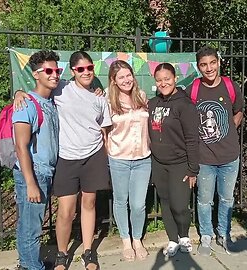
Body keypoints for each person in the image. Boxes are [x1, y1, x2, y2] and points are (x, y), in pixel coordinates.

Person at [14, 51, 111, 270]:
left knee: (89, 203)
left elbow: (105, 131)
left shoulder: (99, 96)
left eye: (89, 68)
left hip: (93, 155)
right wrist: (18, 92)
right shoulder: (60, 88)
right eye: (80, 69)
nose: (86, 72)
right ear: (73, 71)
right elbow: (34, 93)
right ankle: (61, 253)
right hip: (66, 158)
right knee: (65, 210)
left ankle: (88, 251)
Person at [185, 46, 244, 256]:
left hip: (229, 157)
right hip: (204, 158)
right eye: (203, 64)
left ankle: (224, 234)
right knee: (204, 200)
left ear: (218, 62)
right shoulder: (194, 89)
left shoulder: (230, 86)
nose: (209, 68)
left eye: (212, 63)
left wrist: (227, 130)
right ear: (198, 67)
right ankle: (206, 236)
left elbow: (238, 112)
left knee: (227, 199)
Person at [12, 50, 60, 270]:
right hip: (33, 172)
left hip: (45, 171)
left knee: (31, 224)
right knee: (30, 227)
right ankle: (32, 267)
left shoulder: (49, 101)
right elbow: (21, 147)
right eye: (48, 71)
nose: (54, 75)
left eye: (57, 70)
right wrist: (30, 183)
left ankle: (29, 263)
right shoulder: (27, 105)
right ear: (36, 74)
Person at [148, 63, 200, 257]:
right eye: (159, 80)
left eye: (167, 79)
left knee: (179, 205)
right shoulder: (153, 104)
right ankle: (172, 238)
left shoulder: (184, 105)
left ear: (175, 78)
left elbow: (192, 139)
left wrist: (193, 169)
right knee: (166, 202)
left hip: (180, 163)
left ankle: (184, 235)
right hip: (159, 163)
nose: (163, 83)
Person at [104, 60, 151, 262]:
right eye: (121, 77)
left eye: (128, 75)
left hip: (143, 158)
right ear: (113, 81)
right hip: (119, 158)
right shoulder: (107, 100)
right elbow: (103, 130)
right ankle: (125, 239)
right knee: (121, 200)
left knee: (139, 204)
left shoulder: (141, 96)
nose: (126, 80)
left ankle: (137, 239)